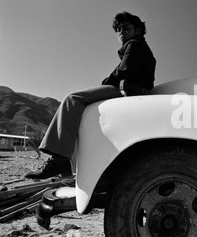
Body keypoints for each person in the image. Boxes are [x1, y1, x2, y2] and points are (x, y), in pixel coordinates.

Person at [25, 11, 156, 180]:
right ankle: (67, 162)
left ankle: (59, 160)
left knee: (73, 100)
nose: (121, 33)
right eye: (118, 30)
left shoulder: (135, 45)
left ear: (138, 30)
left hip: (129, 90)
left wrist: (107, 81)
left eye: (126, 28)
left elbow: (125, 70)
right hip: (133, 90)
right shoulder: (137, 45)